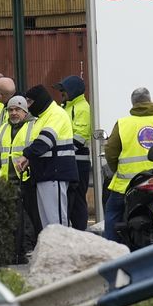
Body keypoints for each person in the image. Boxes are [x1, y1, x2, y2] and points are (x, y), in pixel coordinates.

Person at [102, 85, 153, 241]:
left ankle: (111, 252)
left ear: (133, 104)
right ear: (150, 101)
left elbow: (111, 153)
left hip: (129, 184)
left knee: (112, 211)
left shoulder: (123, 124)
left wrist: (115, 169)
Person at [19, 84, 77, 231]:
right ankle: (53, 252)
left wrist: (26, 155)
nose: (29, 107)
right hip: (46, 174)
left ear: (40, 100)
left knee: (56, 223)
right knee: (48, 225)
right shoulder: (44, 116)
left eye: (30, 103)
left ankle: (62, 253)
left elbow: (44, 142)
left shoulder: (55, 114)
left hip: (55, 173)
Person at [0, 95, 39, 262]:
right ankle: (15, 252)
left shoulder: (34, 126)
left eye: (17, 110)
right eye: (11, 110)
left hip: (27, 180)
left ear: (25, 111)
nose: (14, 113)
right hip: (7, 181)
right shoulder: (3, 128)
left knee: (28, 218)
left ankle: (26, 250)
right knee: (13, 219)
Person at [55, 75, 93, 231]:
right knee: (70, 199)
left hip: (78, 161)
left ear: (74, 91)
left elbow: (80, 136)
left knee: (77, 200)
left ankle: (80, 232)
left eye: (64, 90)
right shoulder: (65, 107)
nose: (61, 93)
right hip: (69, 159)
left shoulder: (82, 108)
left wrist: (60, 150)